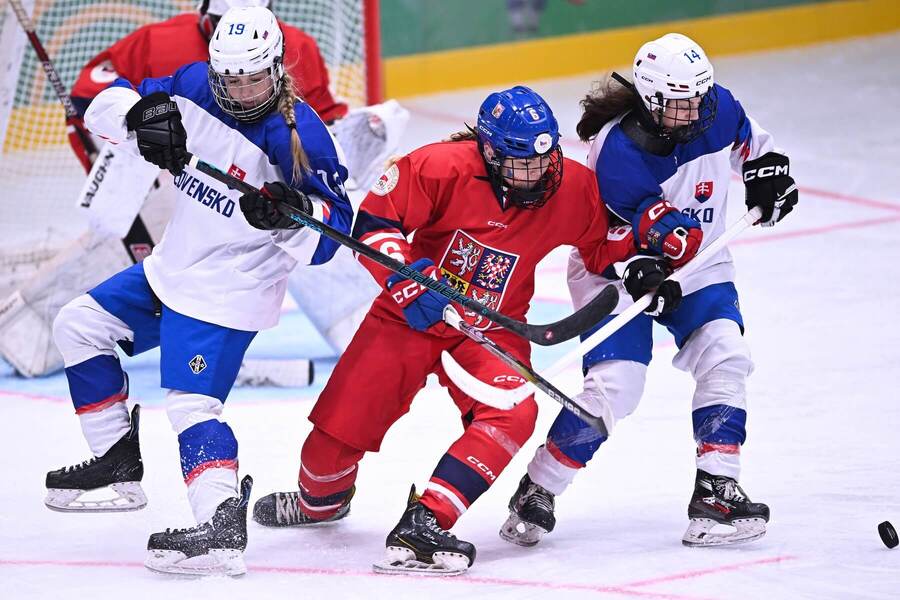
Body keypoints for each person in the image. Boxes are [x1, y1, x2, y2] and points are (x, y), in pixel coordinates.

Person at [251, 85, 635, 576]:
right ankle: (321, 502)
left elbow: (605, 249)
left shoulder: (574, 187)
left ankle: (428, 518)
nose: (537, 174)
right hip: (408, 315)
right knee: (328, 450)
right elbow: (374, 223)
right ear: (490, 151)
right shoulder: (439, 166)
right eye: (521, 162)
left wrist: (647, 253)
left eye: (544, 159)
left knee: (513, 412)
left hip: (491, 329)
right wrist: (408, 281)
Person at [43, 6, 353, 576]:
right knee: (79, 324)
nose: (238, 91)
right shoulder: (191, 83)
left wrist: (292, 212)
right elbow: (108, 103)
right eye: (227, 79)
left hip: (230, 289)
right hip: (174, 266)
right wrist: (142, 111)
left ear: (278, 68)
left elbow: (336, 228)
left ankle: (220, 523)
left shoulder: (301, 135)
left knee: (189, 404)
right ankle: (115, 460)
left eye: (253, 79)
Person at [500, 33, 798, 549]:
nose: (698, 110)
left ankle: (716, 491)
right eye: (683, 102)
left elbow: (752, 144)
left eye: (701, 96)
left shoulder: (716, 108)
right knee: (617, 387)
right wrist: (640, 266)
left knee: (726, 355)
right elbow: (602, 236)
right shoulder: (618, 153)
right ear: (652, 99)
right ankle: (538, 488)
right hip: (612, 270)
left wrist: (767, 174)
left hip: (697, 266)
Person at [0, 0, 397, 379]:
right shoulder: (161, 43)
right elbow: (97, 95)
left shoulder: (300, 49)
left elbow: (322, 135)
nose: (239, 84)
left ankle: (363, 332)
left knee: (290, 233)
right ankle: (37, 333)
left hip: (254, 201)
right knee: (126, 286)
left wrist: (302, 203)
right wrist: (133, 124)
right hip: (163, 183)